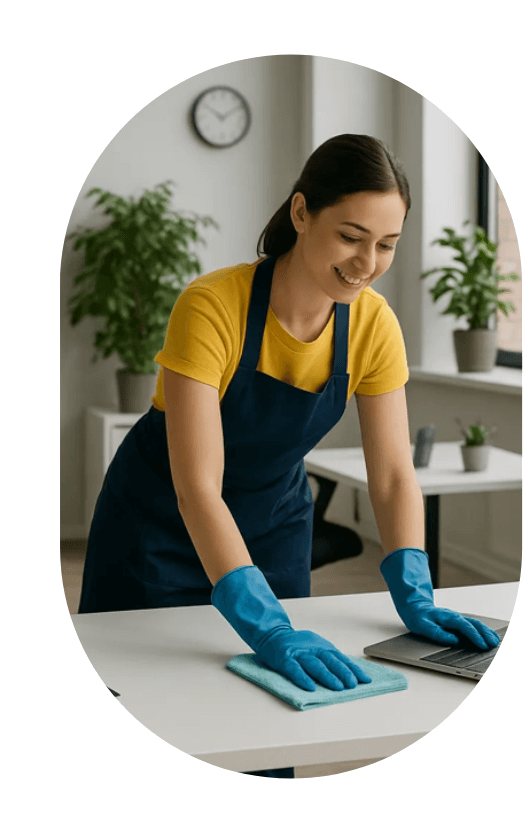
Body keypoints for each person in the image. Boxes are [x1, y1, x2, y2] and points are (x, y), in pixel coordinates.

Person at [79, 134, 500, 778]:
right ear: (301, 213)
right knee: (149, 724)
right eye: (351, 236)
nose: (367, 262)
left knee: (273, 722)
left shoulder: (371, 324)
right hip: (157, 529)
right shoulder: (212, 305)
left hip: (274, 526)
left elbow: (390, 475)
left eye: (386, 244)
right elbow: (198, 486)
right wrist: (267, 625)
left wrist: (415, 590)